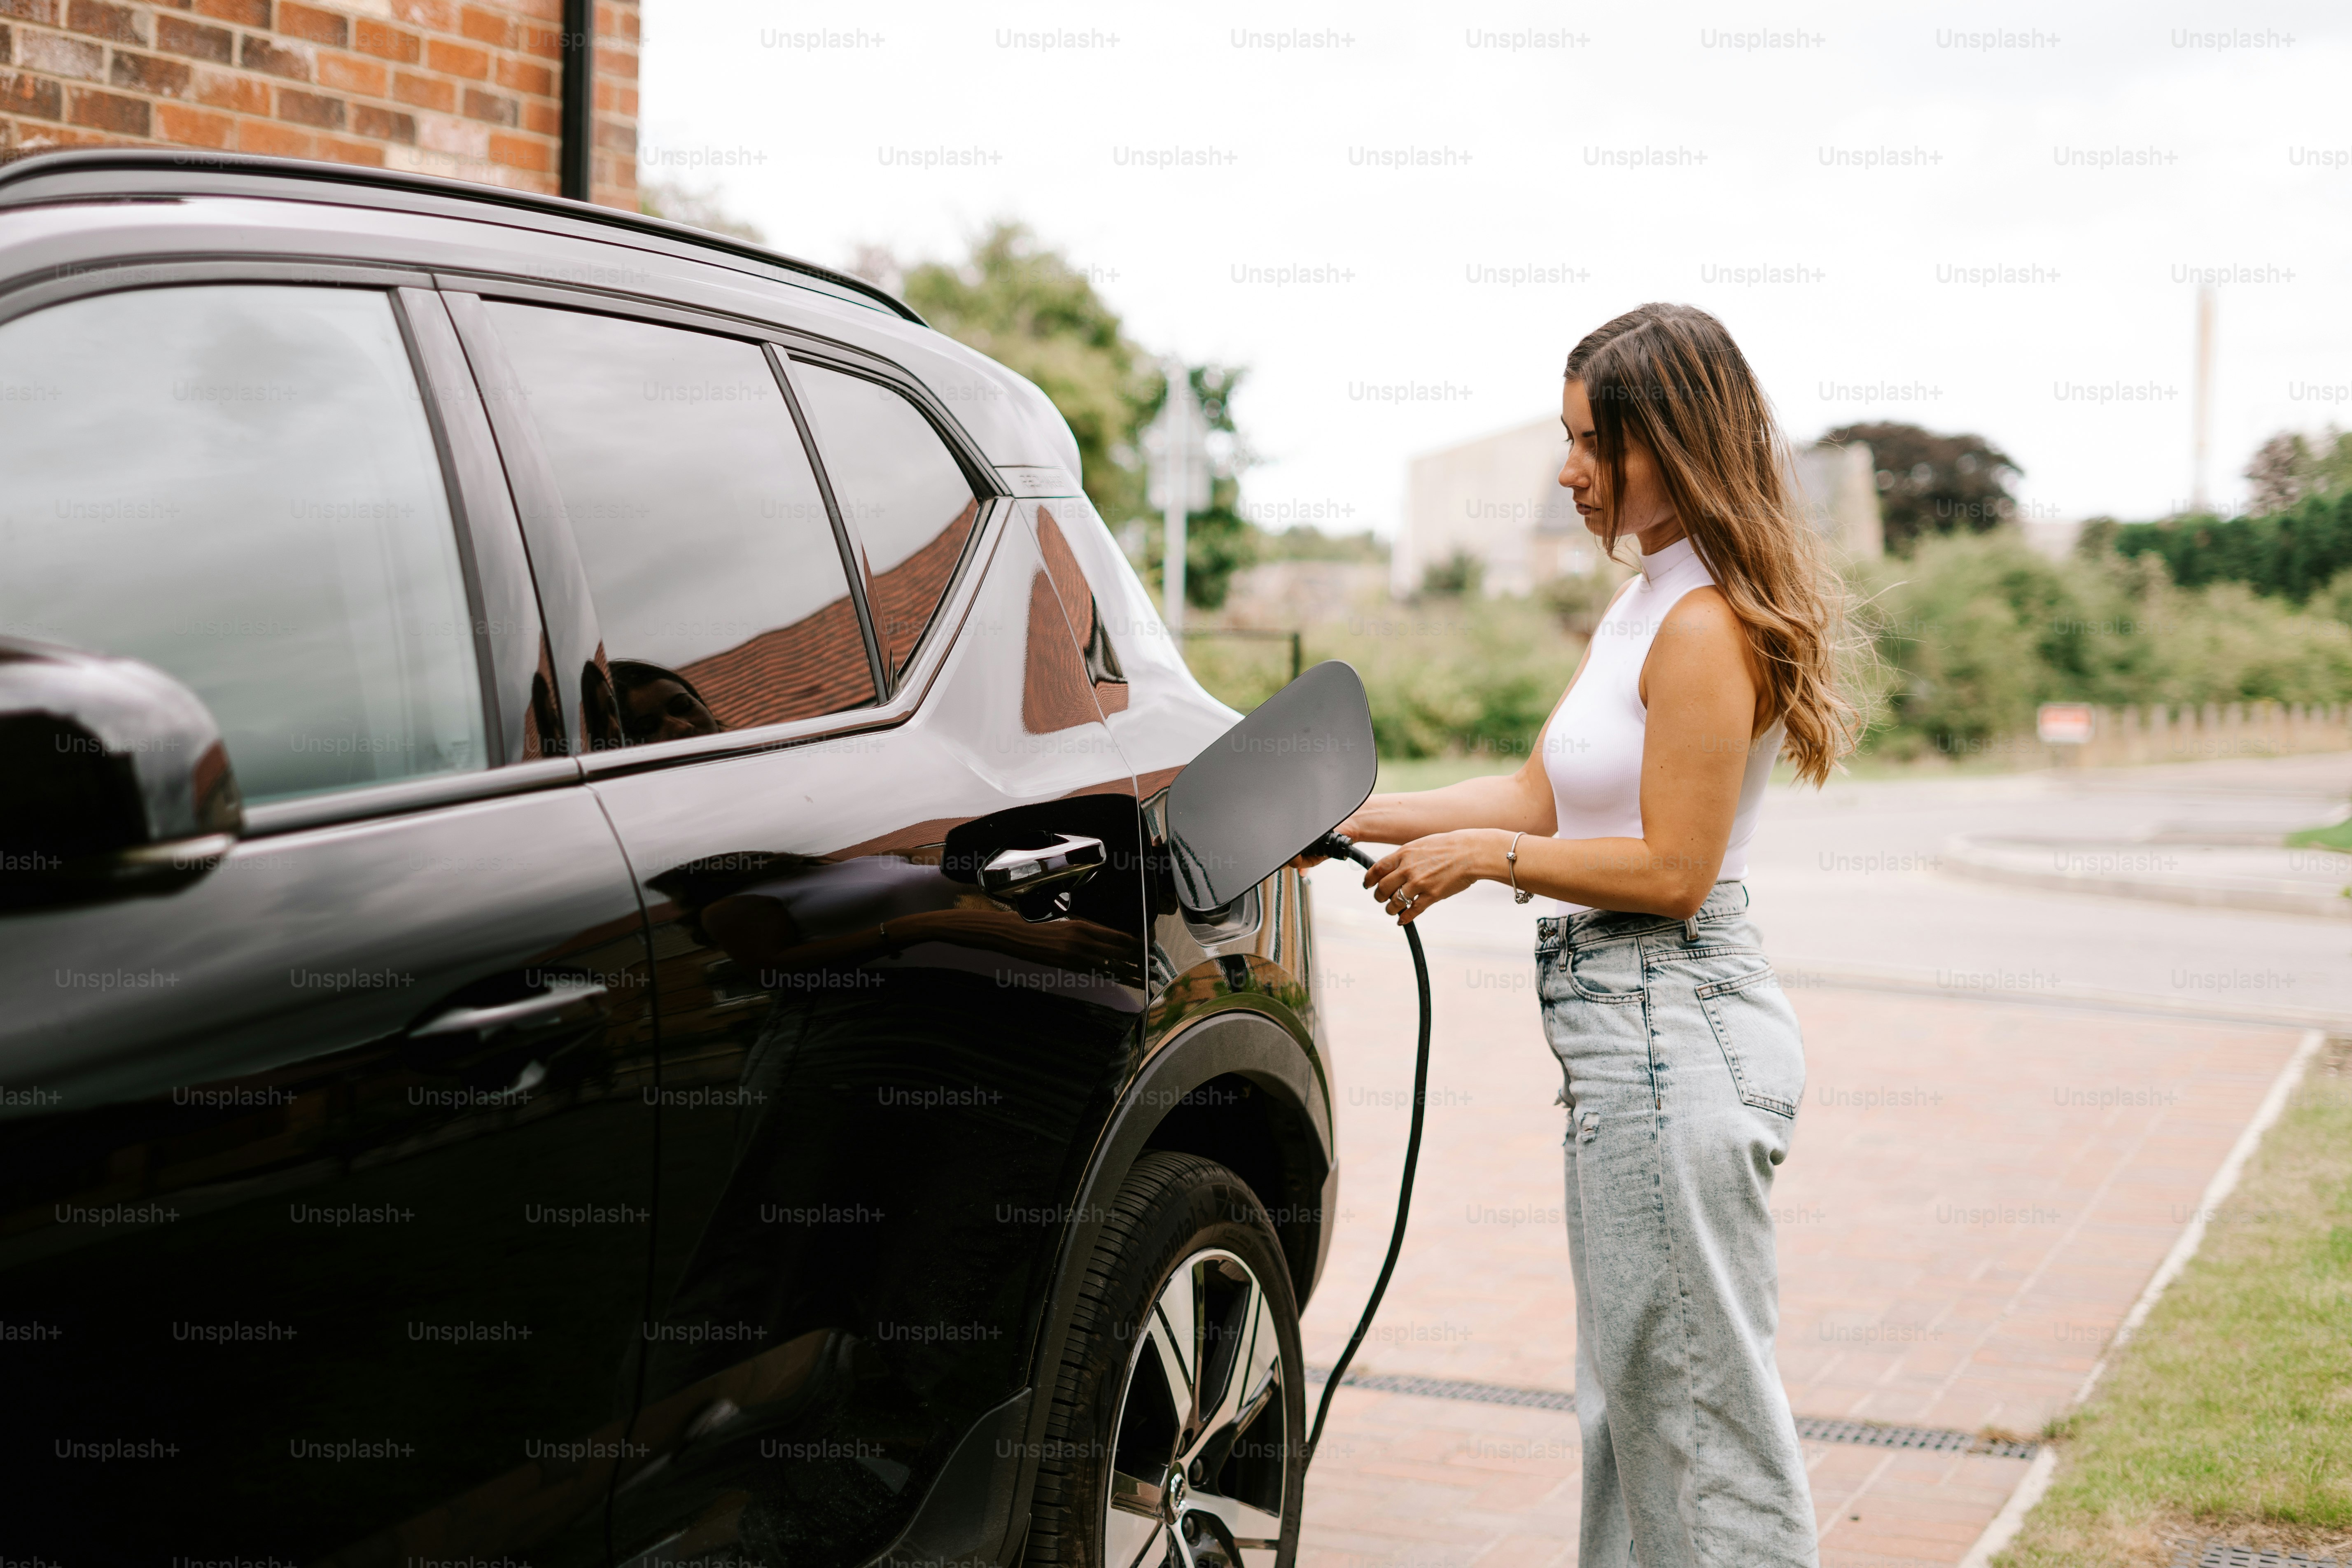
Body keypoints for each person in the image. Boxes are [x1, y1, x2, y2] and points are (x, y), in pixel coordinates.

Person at [1330, 303, 1855, 1568]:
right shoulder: (1645, 603)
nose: (1566, 471)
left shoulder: (1704, 623)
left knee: (1699, 1426)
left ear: (1674, 444)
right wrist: (1328, 815)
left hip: (1672, 1028)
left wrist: (1484, 862)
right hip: (1631, 1038)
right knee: (1636, 1407)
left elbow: (1672, 868)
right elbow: (1533, 798)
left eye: (1591, 444)